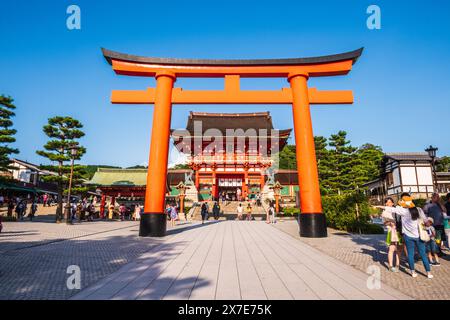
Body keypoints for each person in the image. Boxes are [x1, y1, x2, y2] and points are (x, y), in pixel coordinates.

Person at [376, 193, 433, 279]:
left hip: (408, 236)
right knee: (423, 254)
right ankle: (428, 273)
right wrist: (428, 224)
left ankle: (413, 272)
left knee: (410, 254)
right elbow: (426, 222)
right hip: (419, 236)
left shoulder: (403, 211)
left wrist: (379, 206)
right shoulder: (419, 210)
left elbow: (389, 208)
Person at [381, 197, 403, 272]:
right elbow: (384, 223)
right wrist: (389, 223)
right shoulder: (384, 212)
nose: (388, 203)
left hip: (399, 231)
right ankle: (390, 266)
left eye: (390, 202)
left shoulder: (397, 210)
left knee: (399, 249)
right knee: (391, 248)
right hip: (391, 231)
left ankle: (397, 265)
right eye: (387, 202)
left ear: (393, 203)